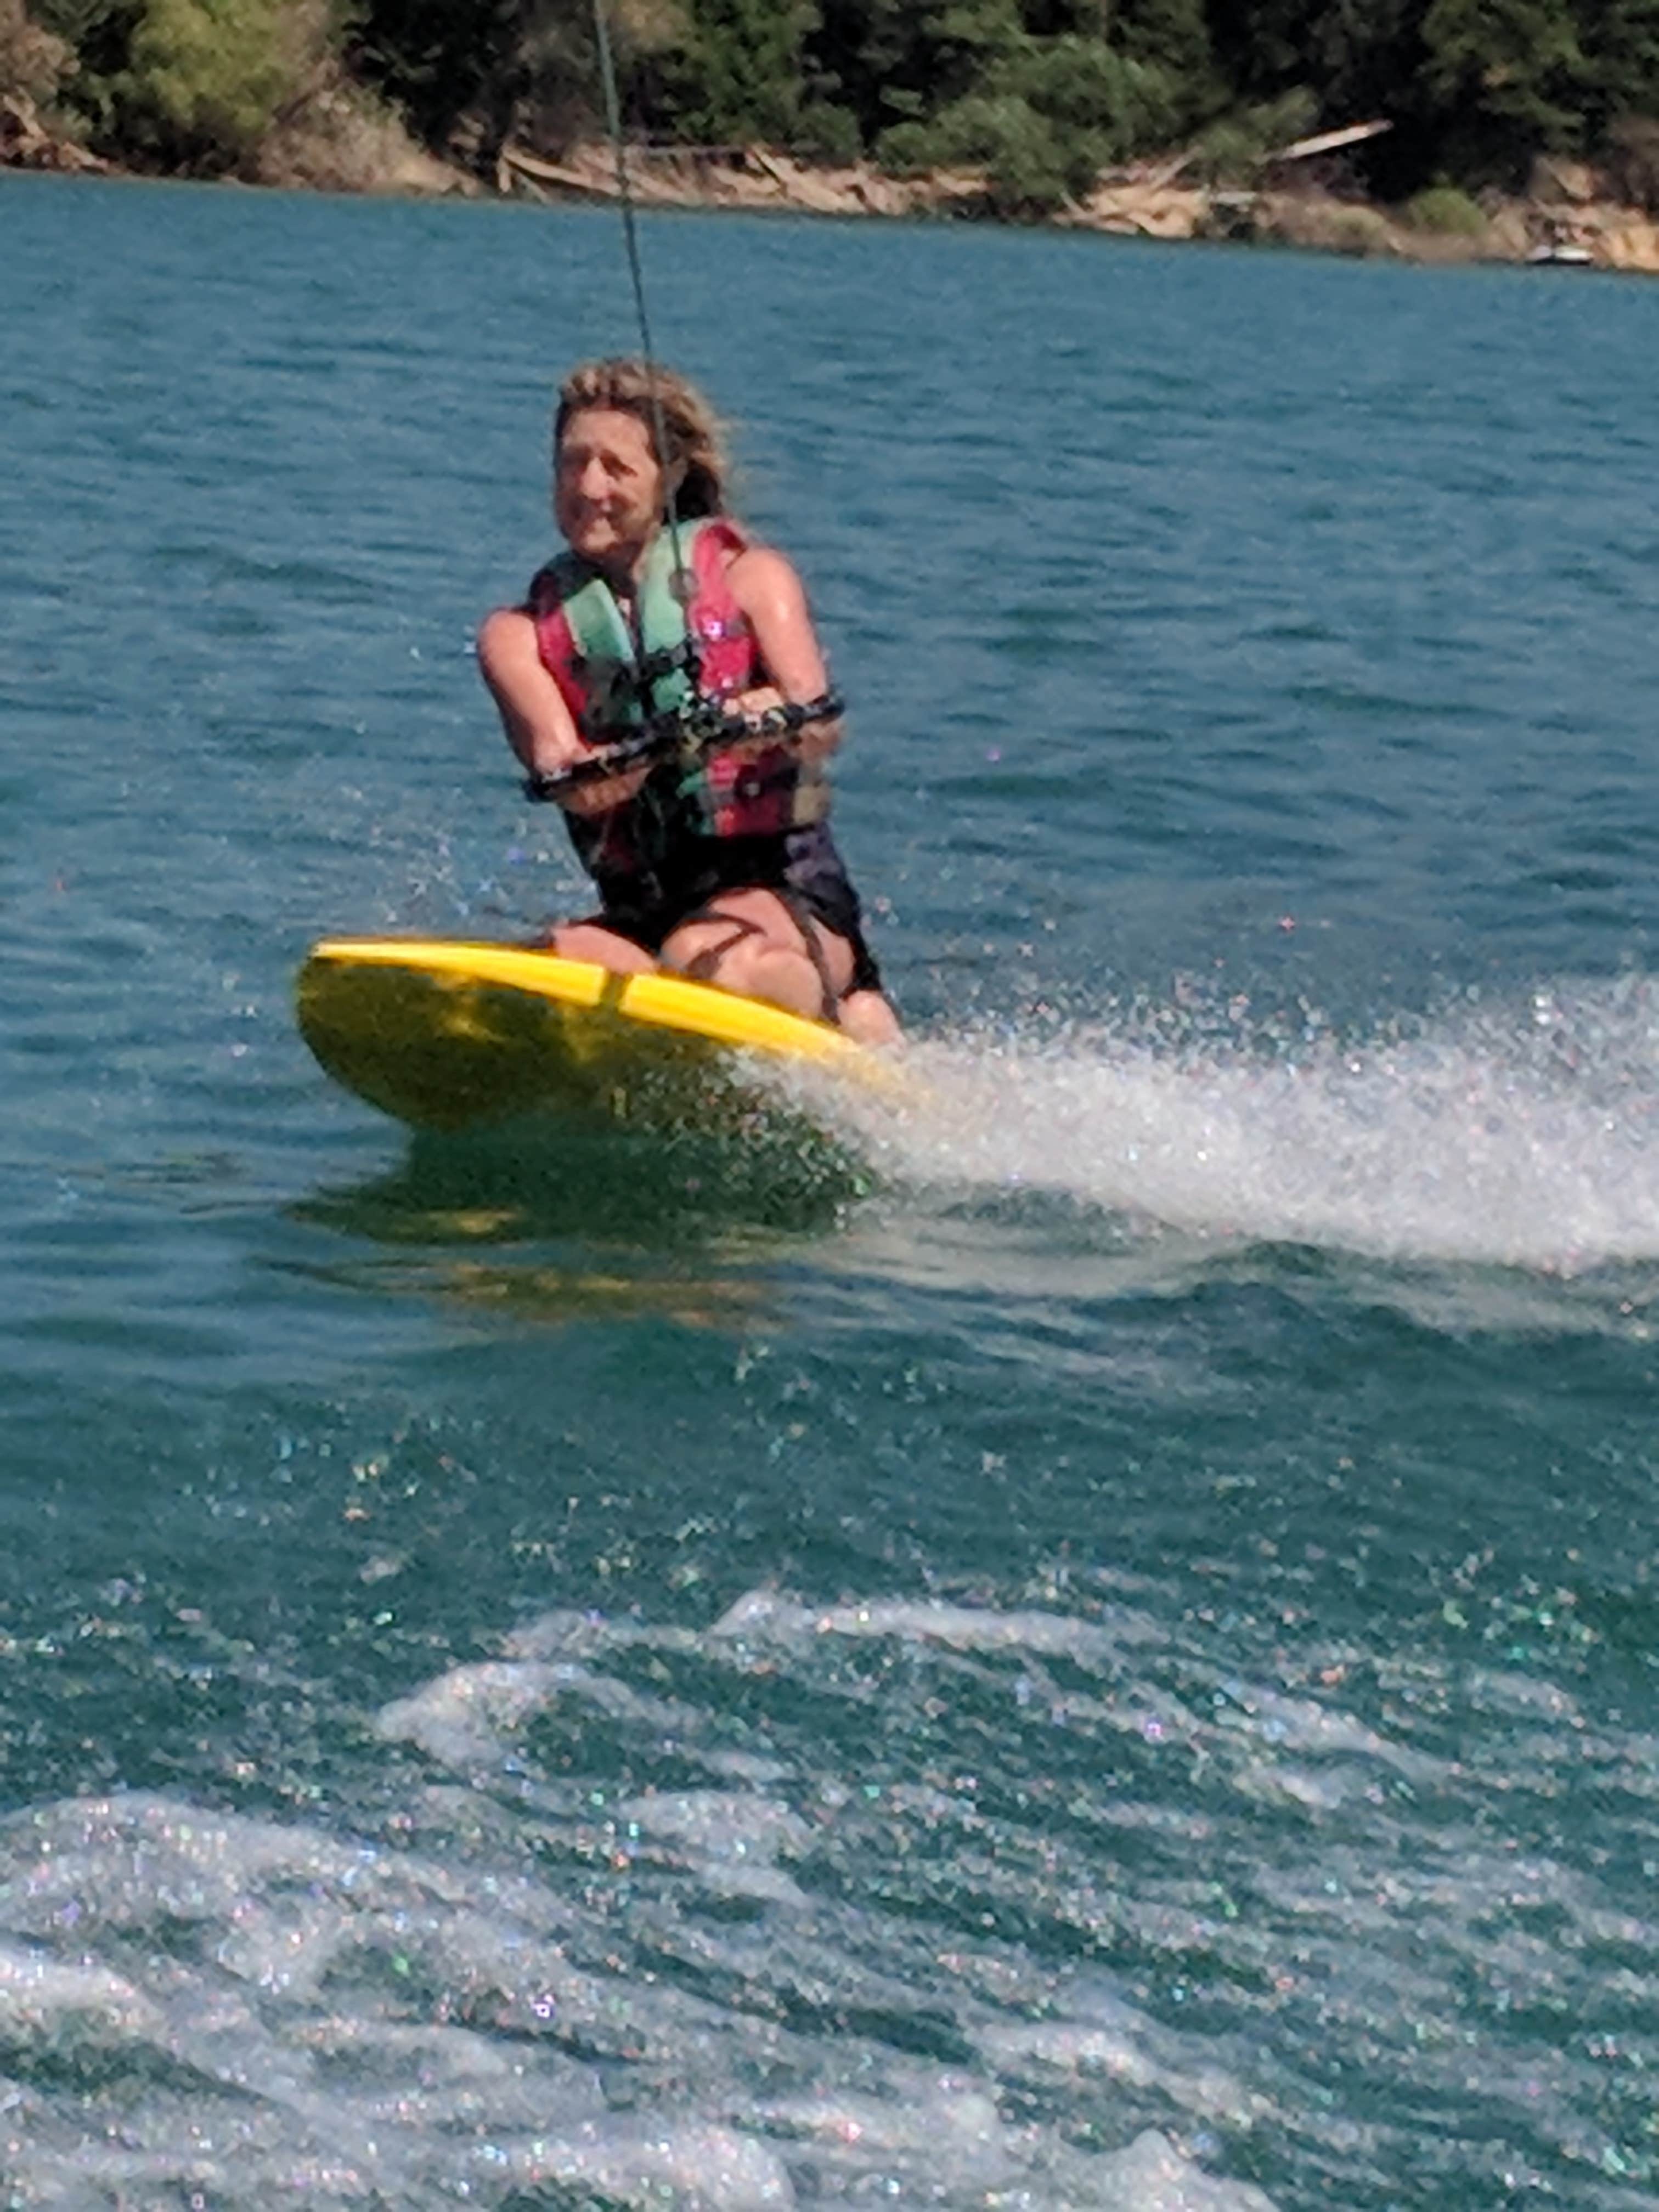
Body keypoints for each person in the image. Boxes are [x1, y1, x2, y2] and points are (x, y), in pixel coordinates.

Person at [478, 358, 900, 1045]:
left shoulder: (754, 578)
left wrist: (757, 717)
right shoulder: (515, 636)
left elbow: (818, 725)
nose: (590, 486)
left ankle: (846, 1011)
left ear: (671, 477)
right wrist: (605, 768)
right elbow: (565, 772)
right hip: (644, 912)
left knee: (709, 961)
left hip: (782, 894)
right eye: (572, 463)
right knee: (534, 974)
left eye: (616, 466)